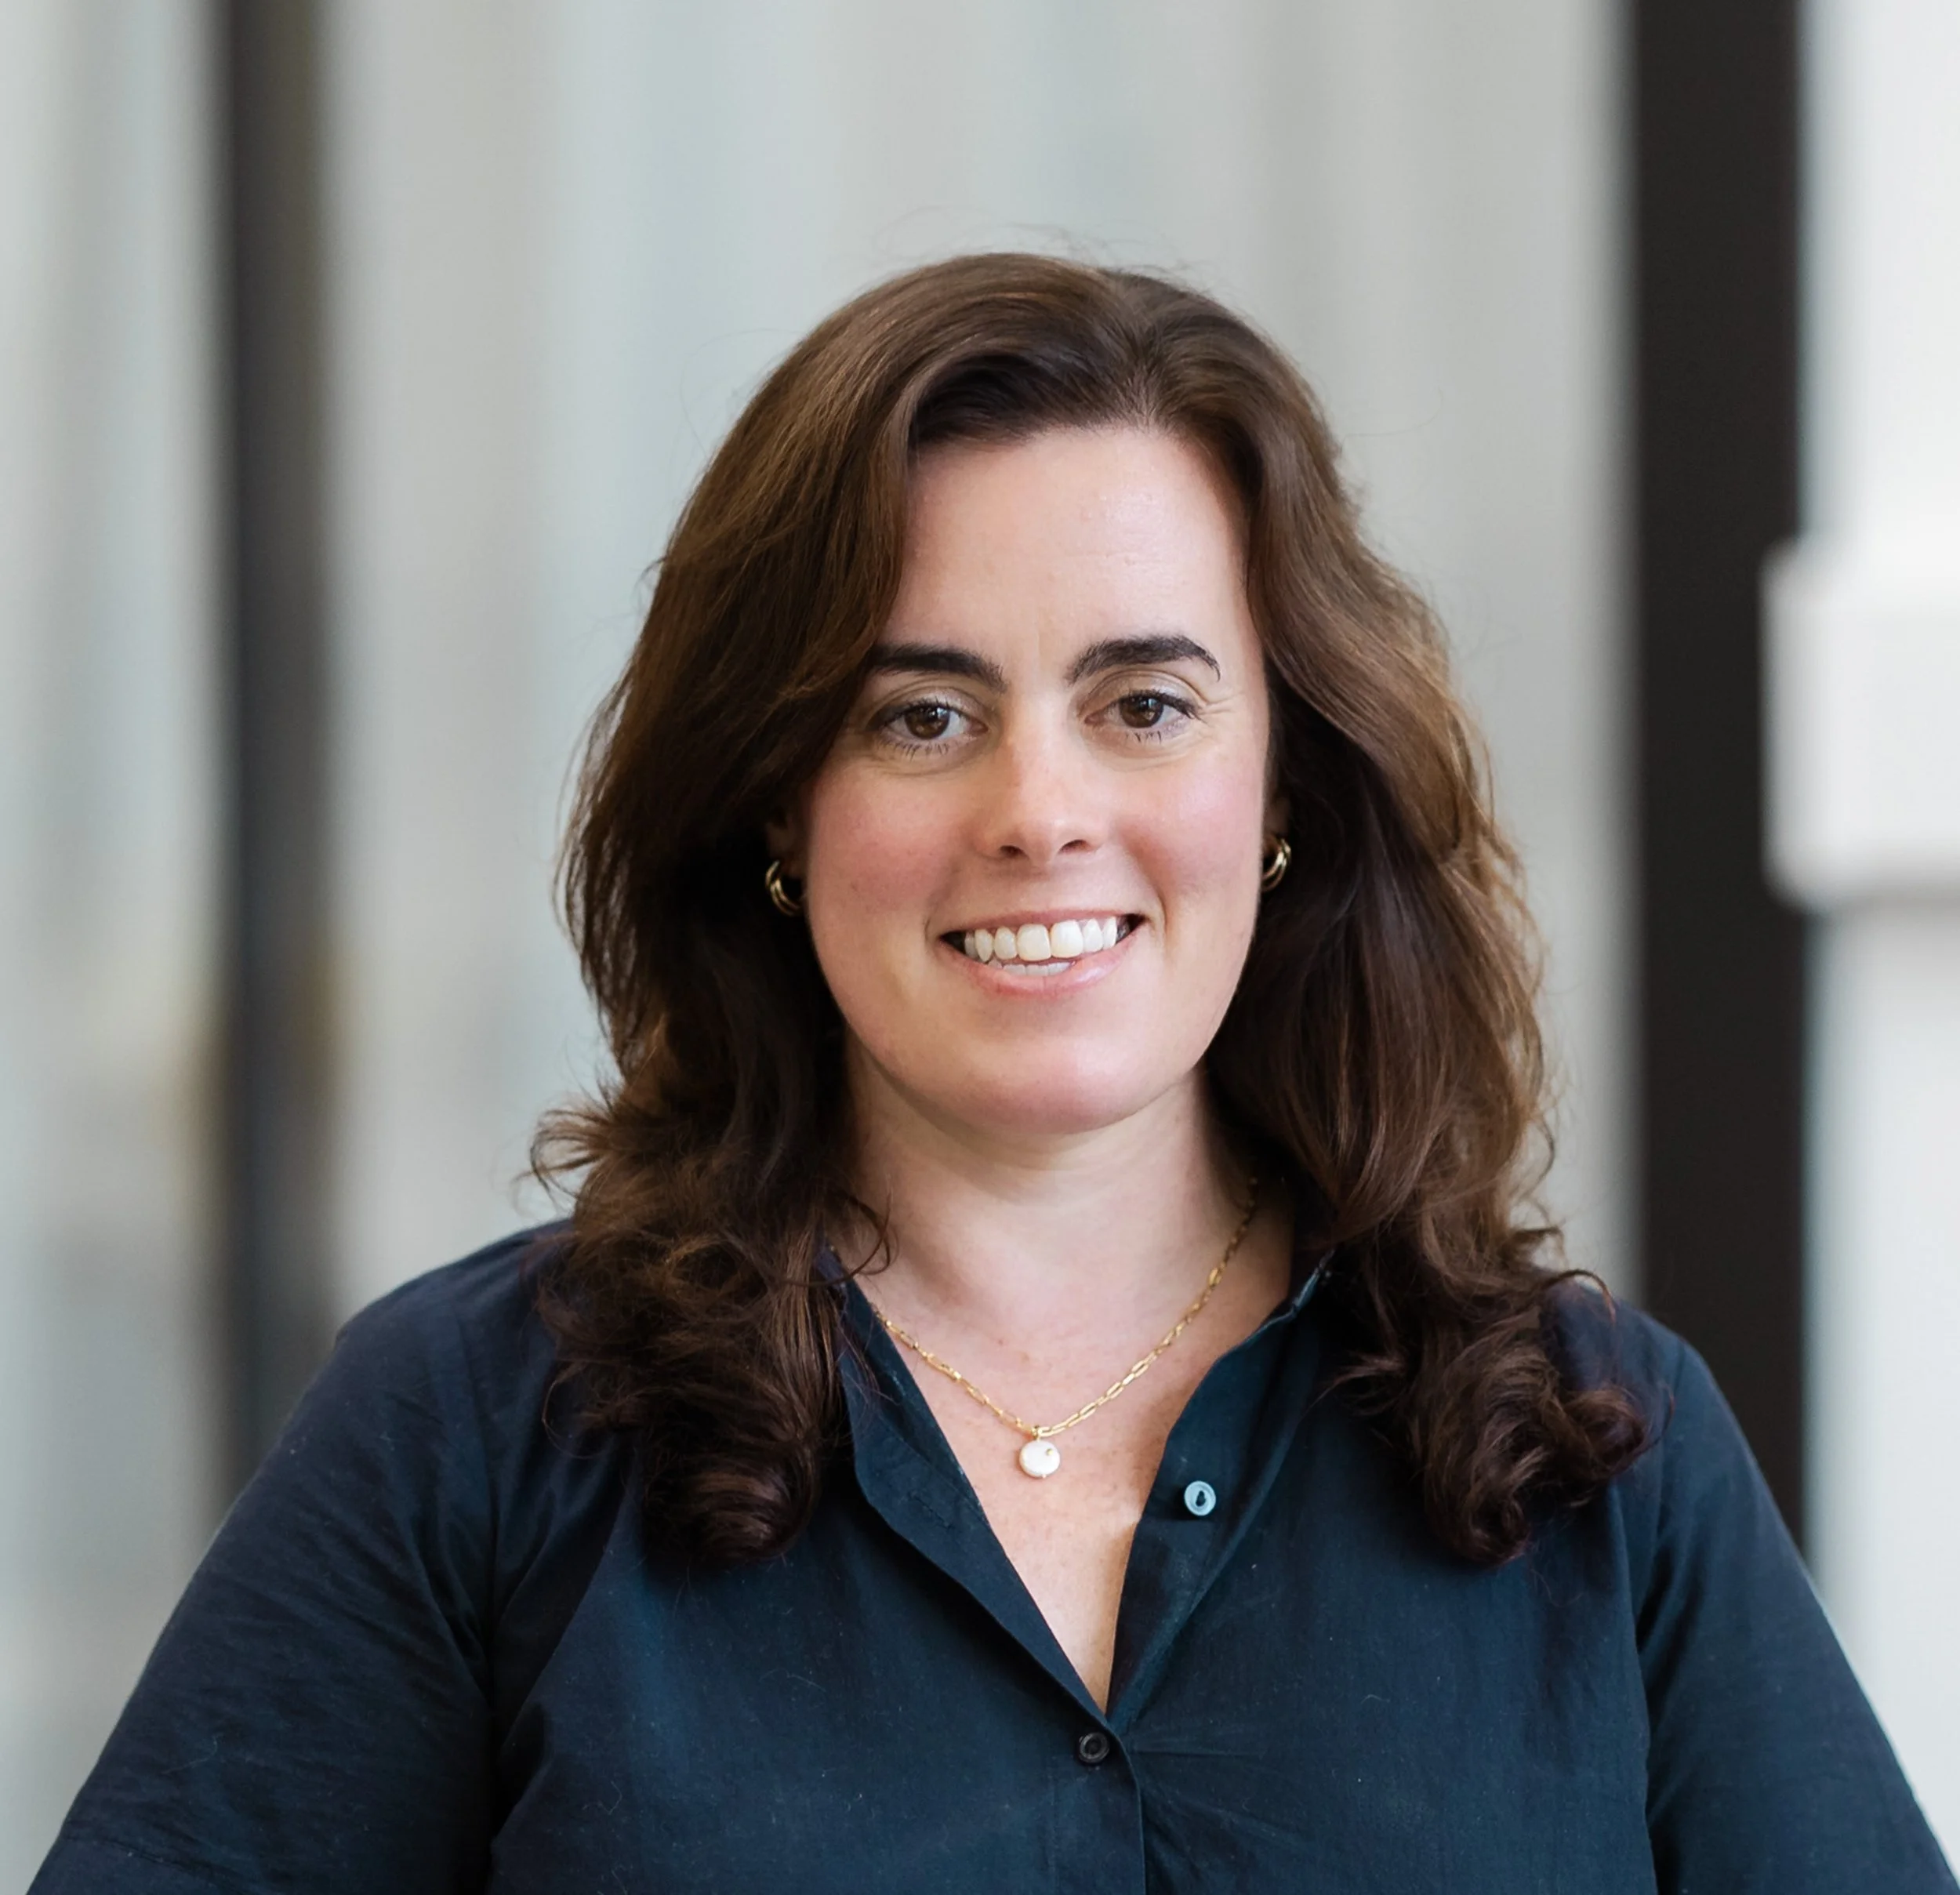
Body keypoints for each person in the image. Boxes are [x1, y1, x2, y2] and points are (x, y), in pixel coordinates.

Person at [34, 254, 1955, 1893]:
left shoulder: (1596, 1454)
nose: (1040, 812)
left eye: (1142, 702)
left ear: (1280, 789)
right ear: (775, 804)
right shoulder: (472, 1435)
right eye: (922, 712)